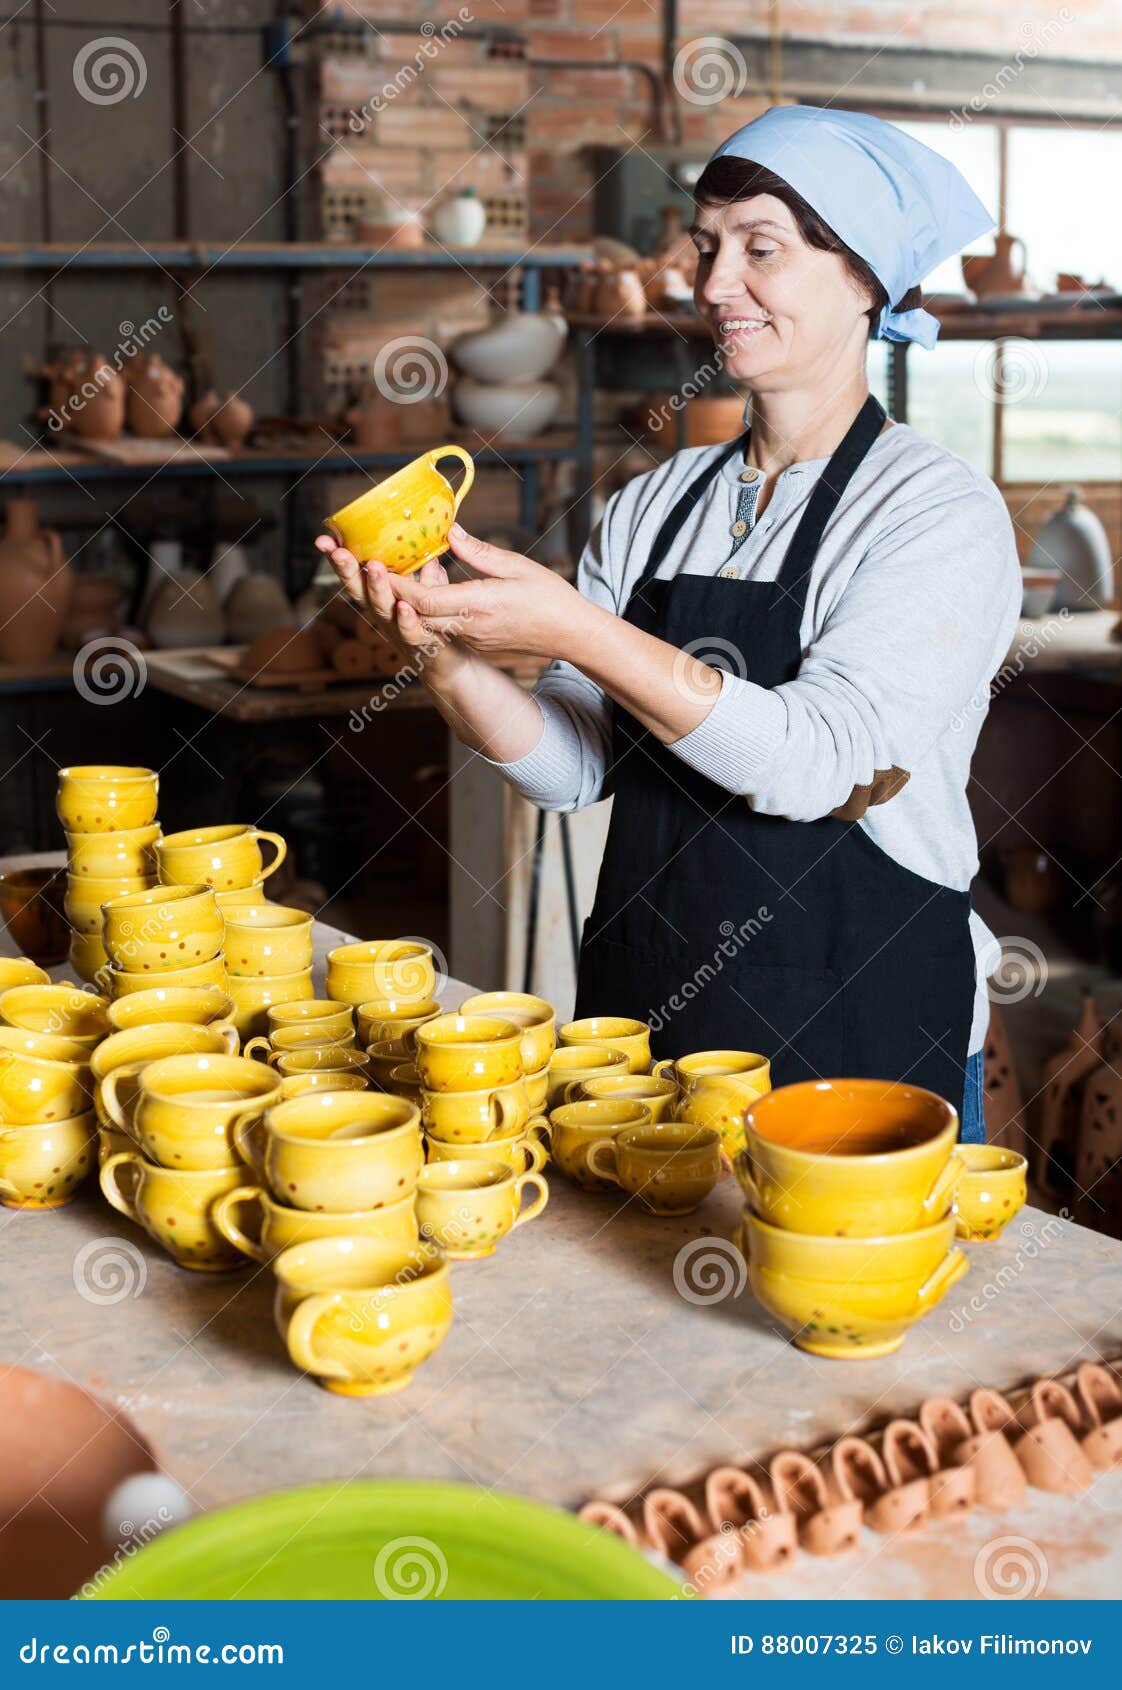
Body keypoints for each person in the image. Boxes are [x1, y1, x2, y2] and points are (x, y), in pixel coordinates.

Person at [318, 105, 1022, 1142]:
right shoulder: (658, 504)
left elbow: (814, 760)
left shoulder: (934, 514)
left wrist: (576, 625)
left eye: (760, 250)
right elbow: (573, 767)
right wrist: (444, 657)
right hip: (649, 1034)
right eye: (707, 247)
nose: (711, 284)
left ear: (865, 279)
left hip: (859, 1036)